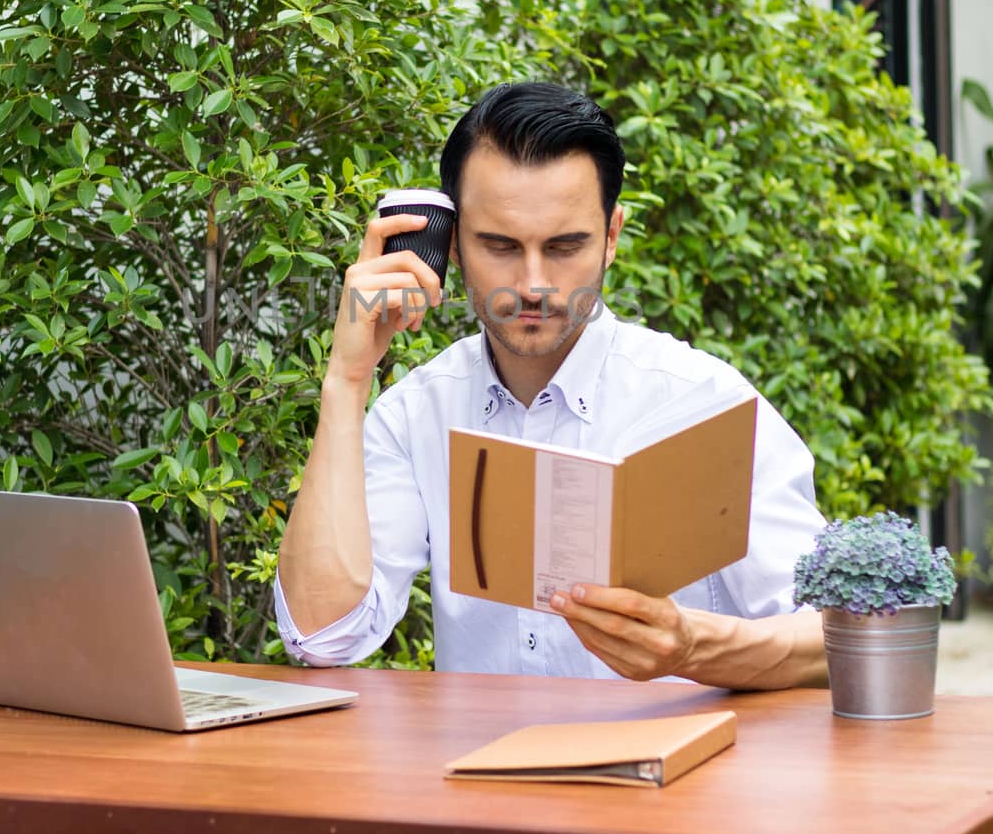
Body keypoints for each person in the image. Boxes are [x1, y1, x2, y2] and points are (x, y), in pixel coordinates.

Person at [275, 82, 829, 688]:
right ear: (454, 245)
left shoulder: (701, 401)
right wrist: (346, 381)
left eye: (565, 246)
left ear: (612, 236)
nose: (534, 283)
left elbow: (836, 634)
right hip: (477, 773)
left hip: (671, 773)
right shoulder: (416, 414)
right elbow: (326, 636)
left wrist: (693, 647)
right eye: (501, 245)